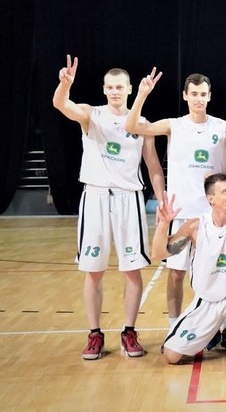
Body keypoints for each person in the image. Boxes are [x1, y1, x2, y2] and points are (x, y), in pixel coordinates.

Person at [52, 55, 165, 360]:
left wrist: (162, 199)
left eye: (120, 87)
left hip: (129, 198)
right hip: (96, 196)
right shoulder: (92, 115)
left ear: (129, 89)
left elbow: (153, 166)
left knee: (132, 270)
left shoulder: (141, 123)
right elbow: (61, 104)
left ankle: (129, 331)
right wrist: (65, 85)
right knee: (93, 271)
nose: (115, 91)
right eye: (110, 87)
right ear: (104, 90)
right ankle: (94, 333)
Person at [125, 73, 226, 333]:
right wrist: (142, 94)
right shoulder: (174, 125)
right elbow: (132, 126)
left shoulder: (222, 127)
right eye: (194, 94)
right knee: (176, 274)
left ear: (209, 96)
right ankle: (174, 326)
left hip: (212, 215)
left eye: (203, 94)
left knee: (219, 274)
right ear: (185, 96)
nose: (198, 99)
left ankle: (223, 326)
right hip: (182, 213)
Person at [153, 174, 226, 367]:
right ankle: (212, 333)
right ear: (211, 199)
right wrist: (163, 224)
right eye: (225, 192)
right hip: (206, 301)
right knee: (171, 356)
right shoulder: (195, 226)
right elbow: (159, 253)